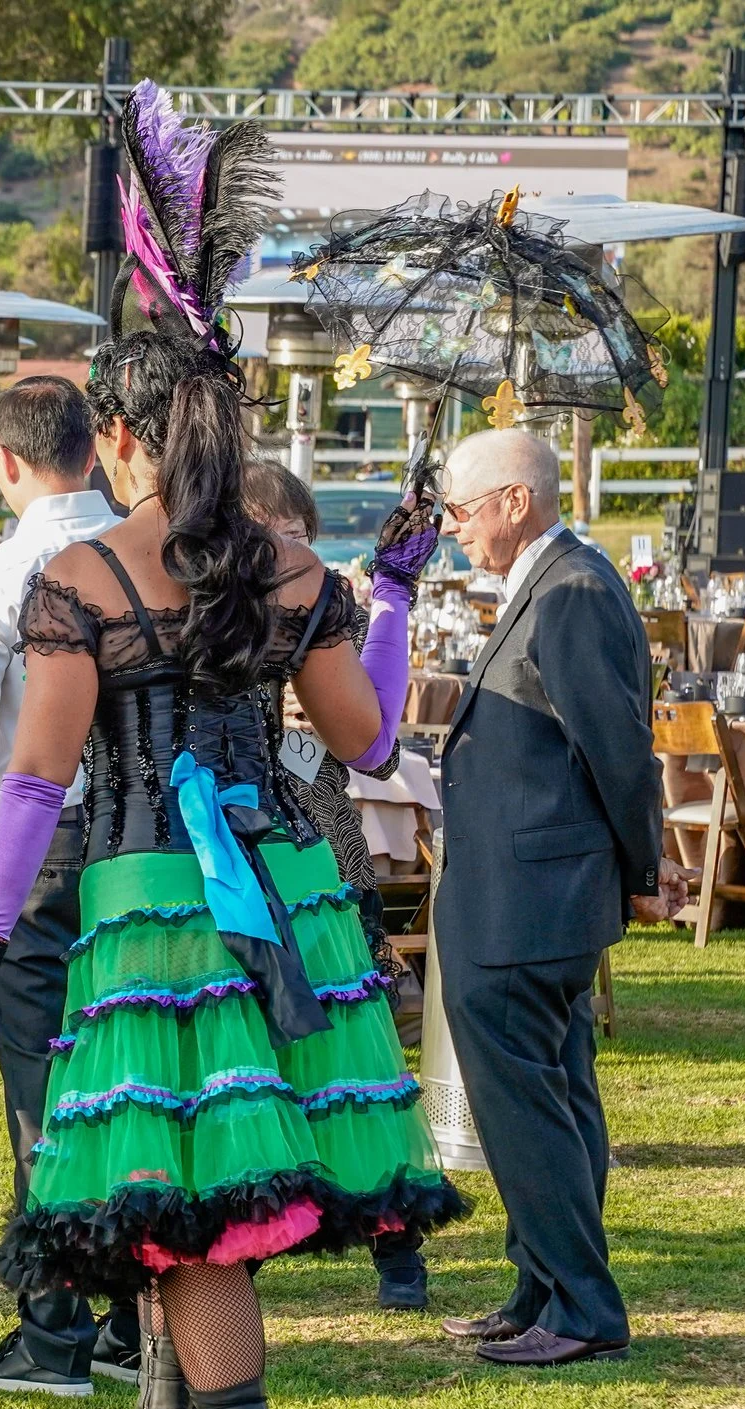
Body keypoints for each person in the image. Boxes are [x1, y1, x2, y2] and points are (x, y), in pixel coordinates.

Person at [0, 85, 465, 1409]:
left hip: (156, 893)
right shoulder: (293, 566)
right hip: (285, 887)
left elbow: (34, 783)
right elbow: (370, 741)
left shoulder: (86, 572)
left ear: (128, 433)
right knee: (185, 1182)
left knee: (188, 1205)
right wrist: (387, 600)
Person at [432, 428, 684, 1368]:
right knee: (555, 1090)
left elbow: (618, 748)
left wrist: (644, 869)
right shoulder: (553, 579)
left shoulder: (573, 589)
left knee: (530, 1102)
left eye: (461, 509)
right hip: (527, 887)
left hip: (533, 895)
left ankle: (581, 1304)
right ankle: (542, 1284)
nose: (453, 528)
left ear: (514, 502)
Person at [0, 374, 133, 1395]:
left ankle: (54, 1328)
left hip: (41, 843)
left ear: (4, 463)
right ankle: (138, 1319)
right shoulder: (154, 554)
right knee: (138, 1072)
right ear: (93, 450)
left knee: (42, 1087)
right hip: (150, 847)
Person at [237, 460, 432, 1313]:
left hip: (304, 851)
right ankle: (247, 1234)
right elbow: (375, 744)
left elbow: (370, 743)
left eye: (305, 535)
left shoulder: (301, 600)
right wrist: (386, 598)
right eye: (287, 531)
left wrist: (389, 599)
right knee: (267, 1045)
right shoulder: (250, 590)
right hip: (255, 851)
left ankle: (392, 1244)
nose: (300, 550)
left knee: (342, 1041)